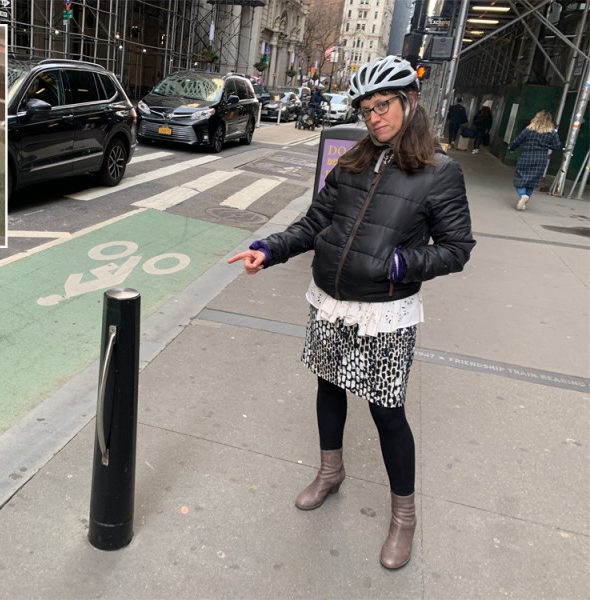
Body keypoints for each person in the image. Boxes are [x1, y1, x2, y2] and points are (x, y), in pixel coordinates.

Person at [228, 55, 475, 570]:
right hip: (331, 301)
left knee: (387, 414)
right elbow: (315, 221)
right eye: (366, 109)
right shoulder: (354, 161)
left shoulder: (440, 172)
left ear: (409, 101)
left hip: (385, 311)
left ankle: (403, 517)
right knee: (328, 388)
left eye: (382, 105)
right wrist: (269, 249)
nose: (374, 117)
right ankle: (330, 471)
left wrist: (400, 261)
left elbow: (456, 248)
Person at [508, 110, 562, 211]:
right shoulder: (551, 132)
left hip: (526, 158)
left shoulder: (529, 129)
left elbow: (517, 140)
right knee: (532, 182)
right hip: (540, 159)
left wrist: (511, 148)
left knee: (519, 179)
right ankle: (524, 202)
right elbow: (557, 146)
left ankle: (523, 195)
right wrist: (546, 145)